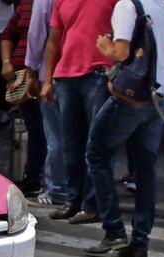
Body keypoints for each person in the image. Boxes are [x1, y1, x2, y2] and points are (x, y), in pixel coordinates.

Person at [84, 0, 164, 257]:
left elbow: (122, 52)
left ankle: (114, 230)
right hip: (159, 99)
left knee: (96, 154)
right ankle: (140, 243)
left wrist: (105, 47)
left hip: (129, 100)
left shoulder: (127, 6)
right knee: (145, 171)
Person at [39, 0, 116, 224]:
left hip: (100, 74)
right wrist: (47, 80)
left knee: (97, 144)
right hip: (66, 76)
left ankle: (93, 205)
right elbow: (53, 40)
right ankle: (74, 201)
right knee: (72, 146)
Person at [1, 0, 47, 197]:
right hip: (22, 77)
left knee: (47, 131)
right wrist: (6, 62)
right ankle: (33, 176)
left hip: (42, 75)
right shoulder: (26, 4)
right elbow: (7, 35)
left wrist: (35, 74)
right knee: (35, 128)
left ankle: (39, 178)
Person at [25, 0, 69, 206]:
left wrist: (31, 70)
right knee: (79, 135)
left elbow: (37, 34)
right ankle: (79, 189)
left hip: (51, 72)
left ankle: (58, 189)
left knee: (55, 134)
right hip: (82, 73)